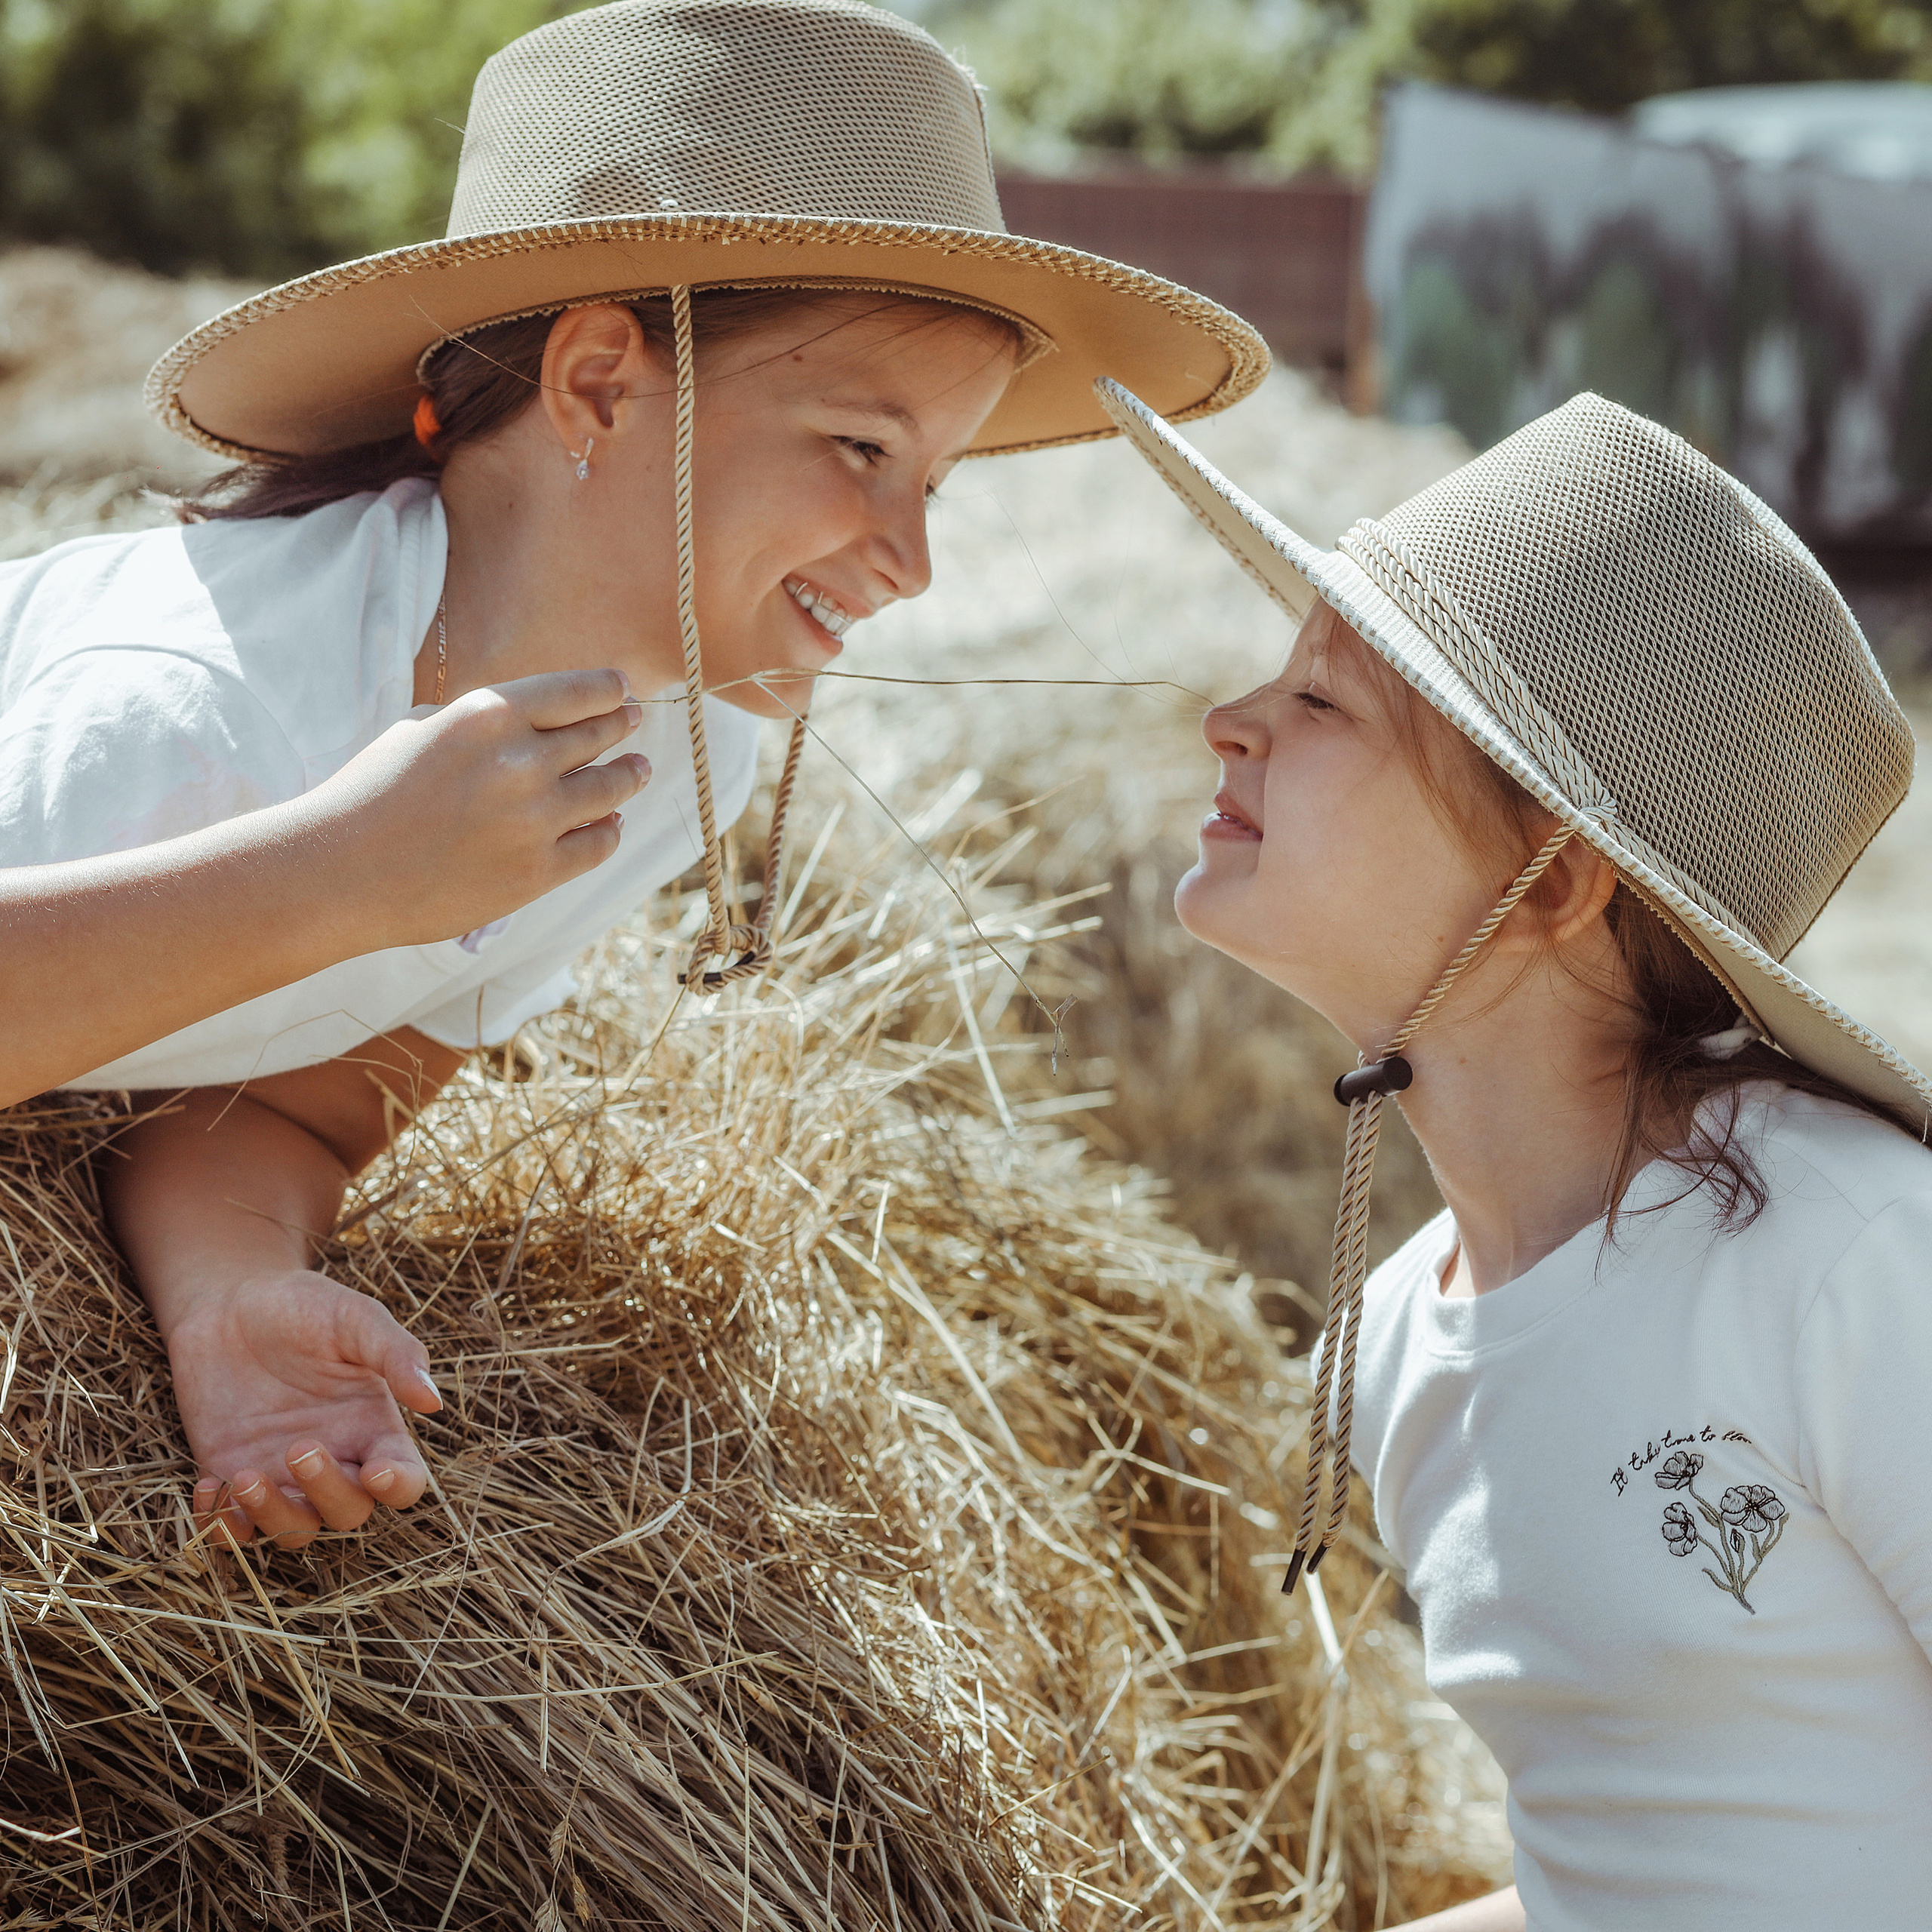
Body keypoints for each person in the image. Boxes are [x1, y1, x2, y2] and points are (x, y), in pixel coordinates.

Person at [0, 0, 1266, 1553]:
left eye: (935, 480)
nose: (913, 561)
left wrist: (232, 1293)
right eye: (861, 450)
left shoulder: (669, 752)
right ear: (598, 383)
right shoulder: (189, 705)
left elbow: (288, 1104)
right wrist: (340, 876)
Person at [1096, 377, 1932, 1927]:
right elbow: (1624, 1874)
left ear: (1547, 880)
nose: (1231, 718)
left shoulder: (1848, 1259)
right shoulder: (1402, 1340)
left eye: (1325, 701)